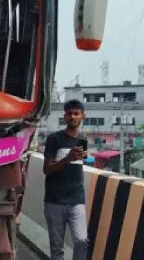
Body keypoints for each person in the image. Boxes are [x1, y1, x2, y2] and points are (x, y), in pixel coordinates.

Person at [43, 99, 89, 260]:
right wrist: (67, 159)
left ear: (83, 116)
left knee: (81, 240)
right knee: (57, 248)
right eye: (69, 114)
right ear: (64, 117)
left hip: (77, 198)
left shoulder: (83, 141)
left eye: (76, 113)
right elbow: (46, 169)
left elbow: (79, 166)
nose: (72, 117)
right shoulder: (54, 139)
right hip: (55, 200)